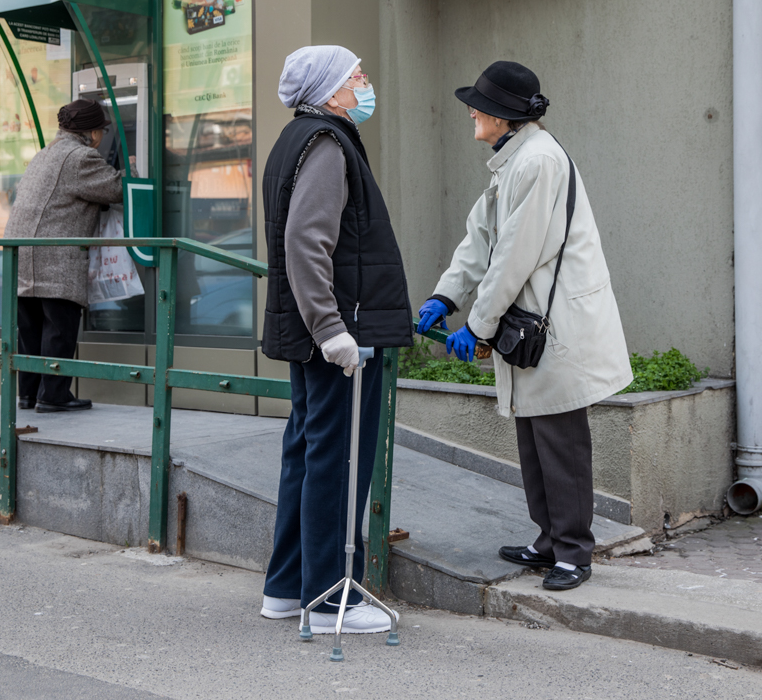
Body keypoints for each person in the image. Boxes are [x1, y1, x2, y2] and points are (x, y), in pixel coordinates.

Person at [416, 61, 632, 591]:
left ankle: (575, 552)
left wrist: (479, 326)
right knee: (534, 437)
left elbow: (514, 255)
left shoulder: (536, 163)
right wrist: (446, 296)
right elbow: (479, 239)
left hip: (553, 325)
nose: (471, 110)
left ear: (504, 116)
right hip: (533, 321)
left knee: (560, 442)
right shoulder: (512, 162)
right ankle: (549, 540)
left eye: (479, 105)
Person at [259, 45, 413, 633]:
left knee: (308, 449)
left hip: (321, 331)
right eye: (356, 77)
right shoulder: (326, 144)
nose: (364, 83)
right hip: (340, 335)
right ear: (328, 91)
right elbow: (306, 242)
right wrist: (331, 329)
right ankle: (328, 601)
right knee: (339, 459)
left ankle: (286, 586)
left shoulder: (300, 139)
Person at [4, 98, 125, 413]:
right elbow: (116, 189)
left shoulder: (44, 154)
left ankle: (28, 394)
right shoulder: (81, 156)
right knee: (60, 326)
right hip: (53, 257)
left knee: (30, 330)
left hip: (22, 254)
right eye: (102, 130)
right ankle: (54, 395)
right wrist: (132, 168)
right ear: (94, 133)